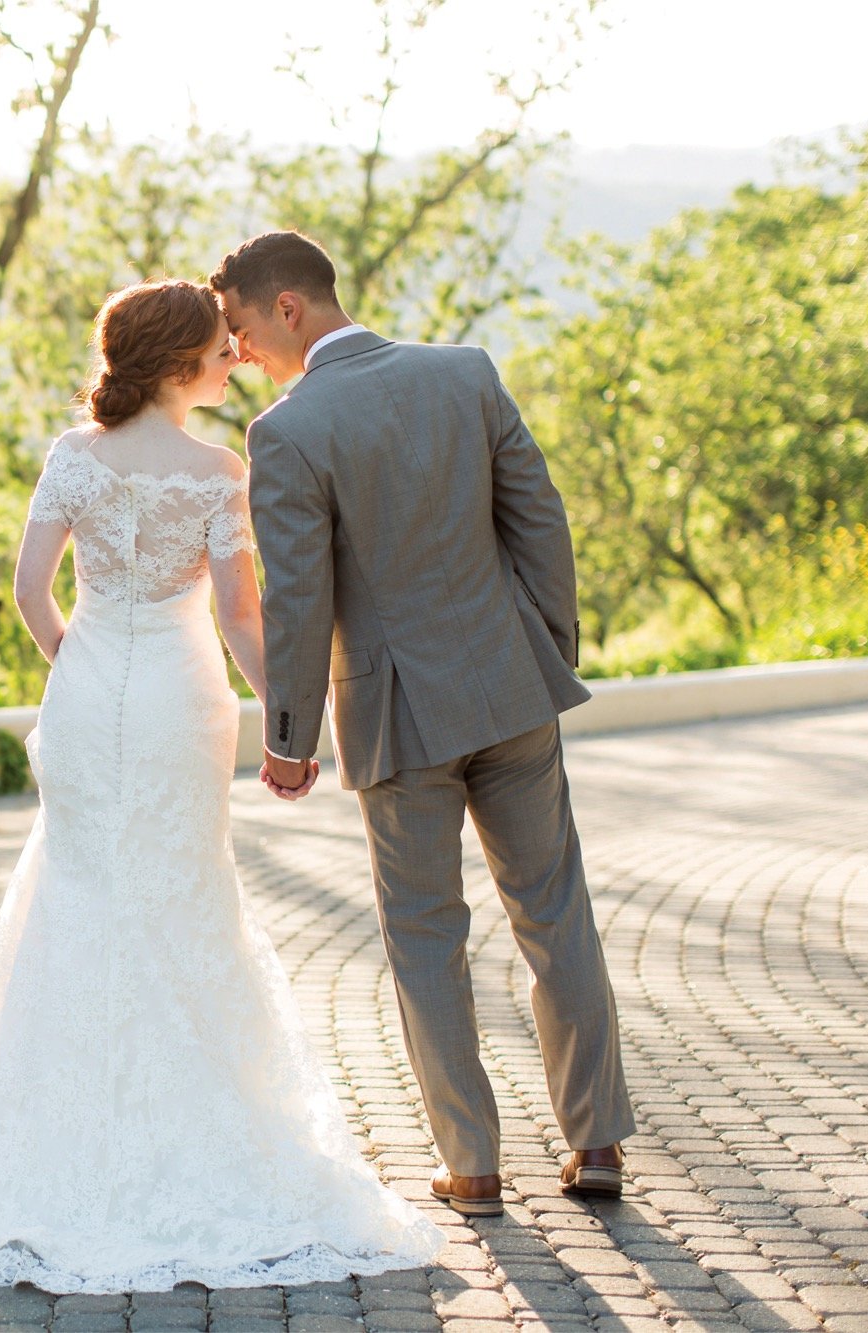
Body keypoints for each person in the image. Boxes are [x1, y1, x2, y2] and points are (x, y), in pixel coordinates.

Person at [0, 280, 443, 1291]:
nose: (232, 361)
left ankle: (47, 1145)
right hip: (176, 695)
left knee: (73, 896)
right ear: (172, 368)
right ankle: (186, 1136)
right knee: (178, 894)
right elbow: (244, 620)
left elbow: (31, 590)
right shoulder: (216, 469)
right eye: (216, 352)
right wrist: (288, 726)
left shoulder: (72, 457)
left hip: (85, 691)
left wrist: (73, 657)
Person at [213, 230, 633, 1217]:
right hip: (509, 686)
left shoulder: (286, 431)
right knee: (553, 911)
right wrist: (546, 648)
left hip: (397, 717)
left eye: (238, 330)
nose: (235, 356)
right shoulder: (465, 373)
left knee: (423, 938)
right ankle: (596, 1142)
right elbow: (540, 519)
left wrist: (287, 737)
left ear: (287, 309)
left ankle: (472, 1166)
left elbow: (300, 594)